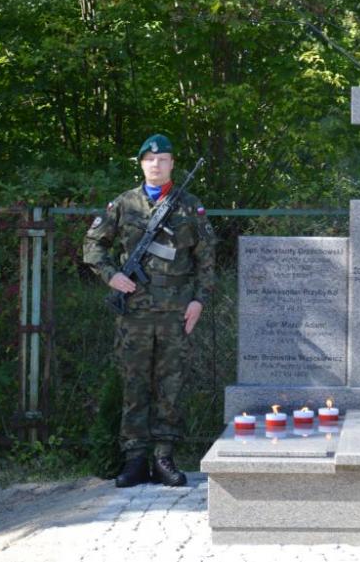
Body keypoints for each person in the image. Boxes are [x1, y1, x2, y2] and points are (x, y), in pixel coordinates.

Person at [83, 134, 216, 488]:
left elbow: (206, 260)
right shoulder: (124, 204)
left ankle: (163, 457)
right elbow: (93, 246)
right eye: (150, 159)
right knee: (134, 383)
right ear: (142, 163)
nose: (157, 165)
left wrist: (199, 300)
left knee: (170, 385)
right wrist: (112, 276)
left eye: (164, 159)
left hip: (176, 313)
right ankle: (135, 459)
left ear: (172, 164)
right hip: (135, 313)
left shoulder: (189, 206)